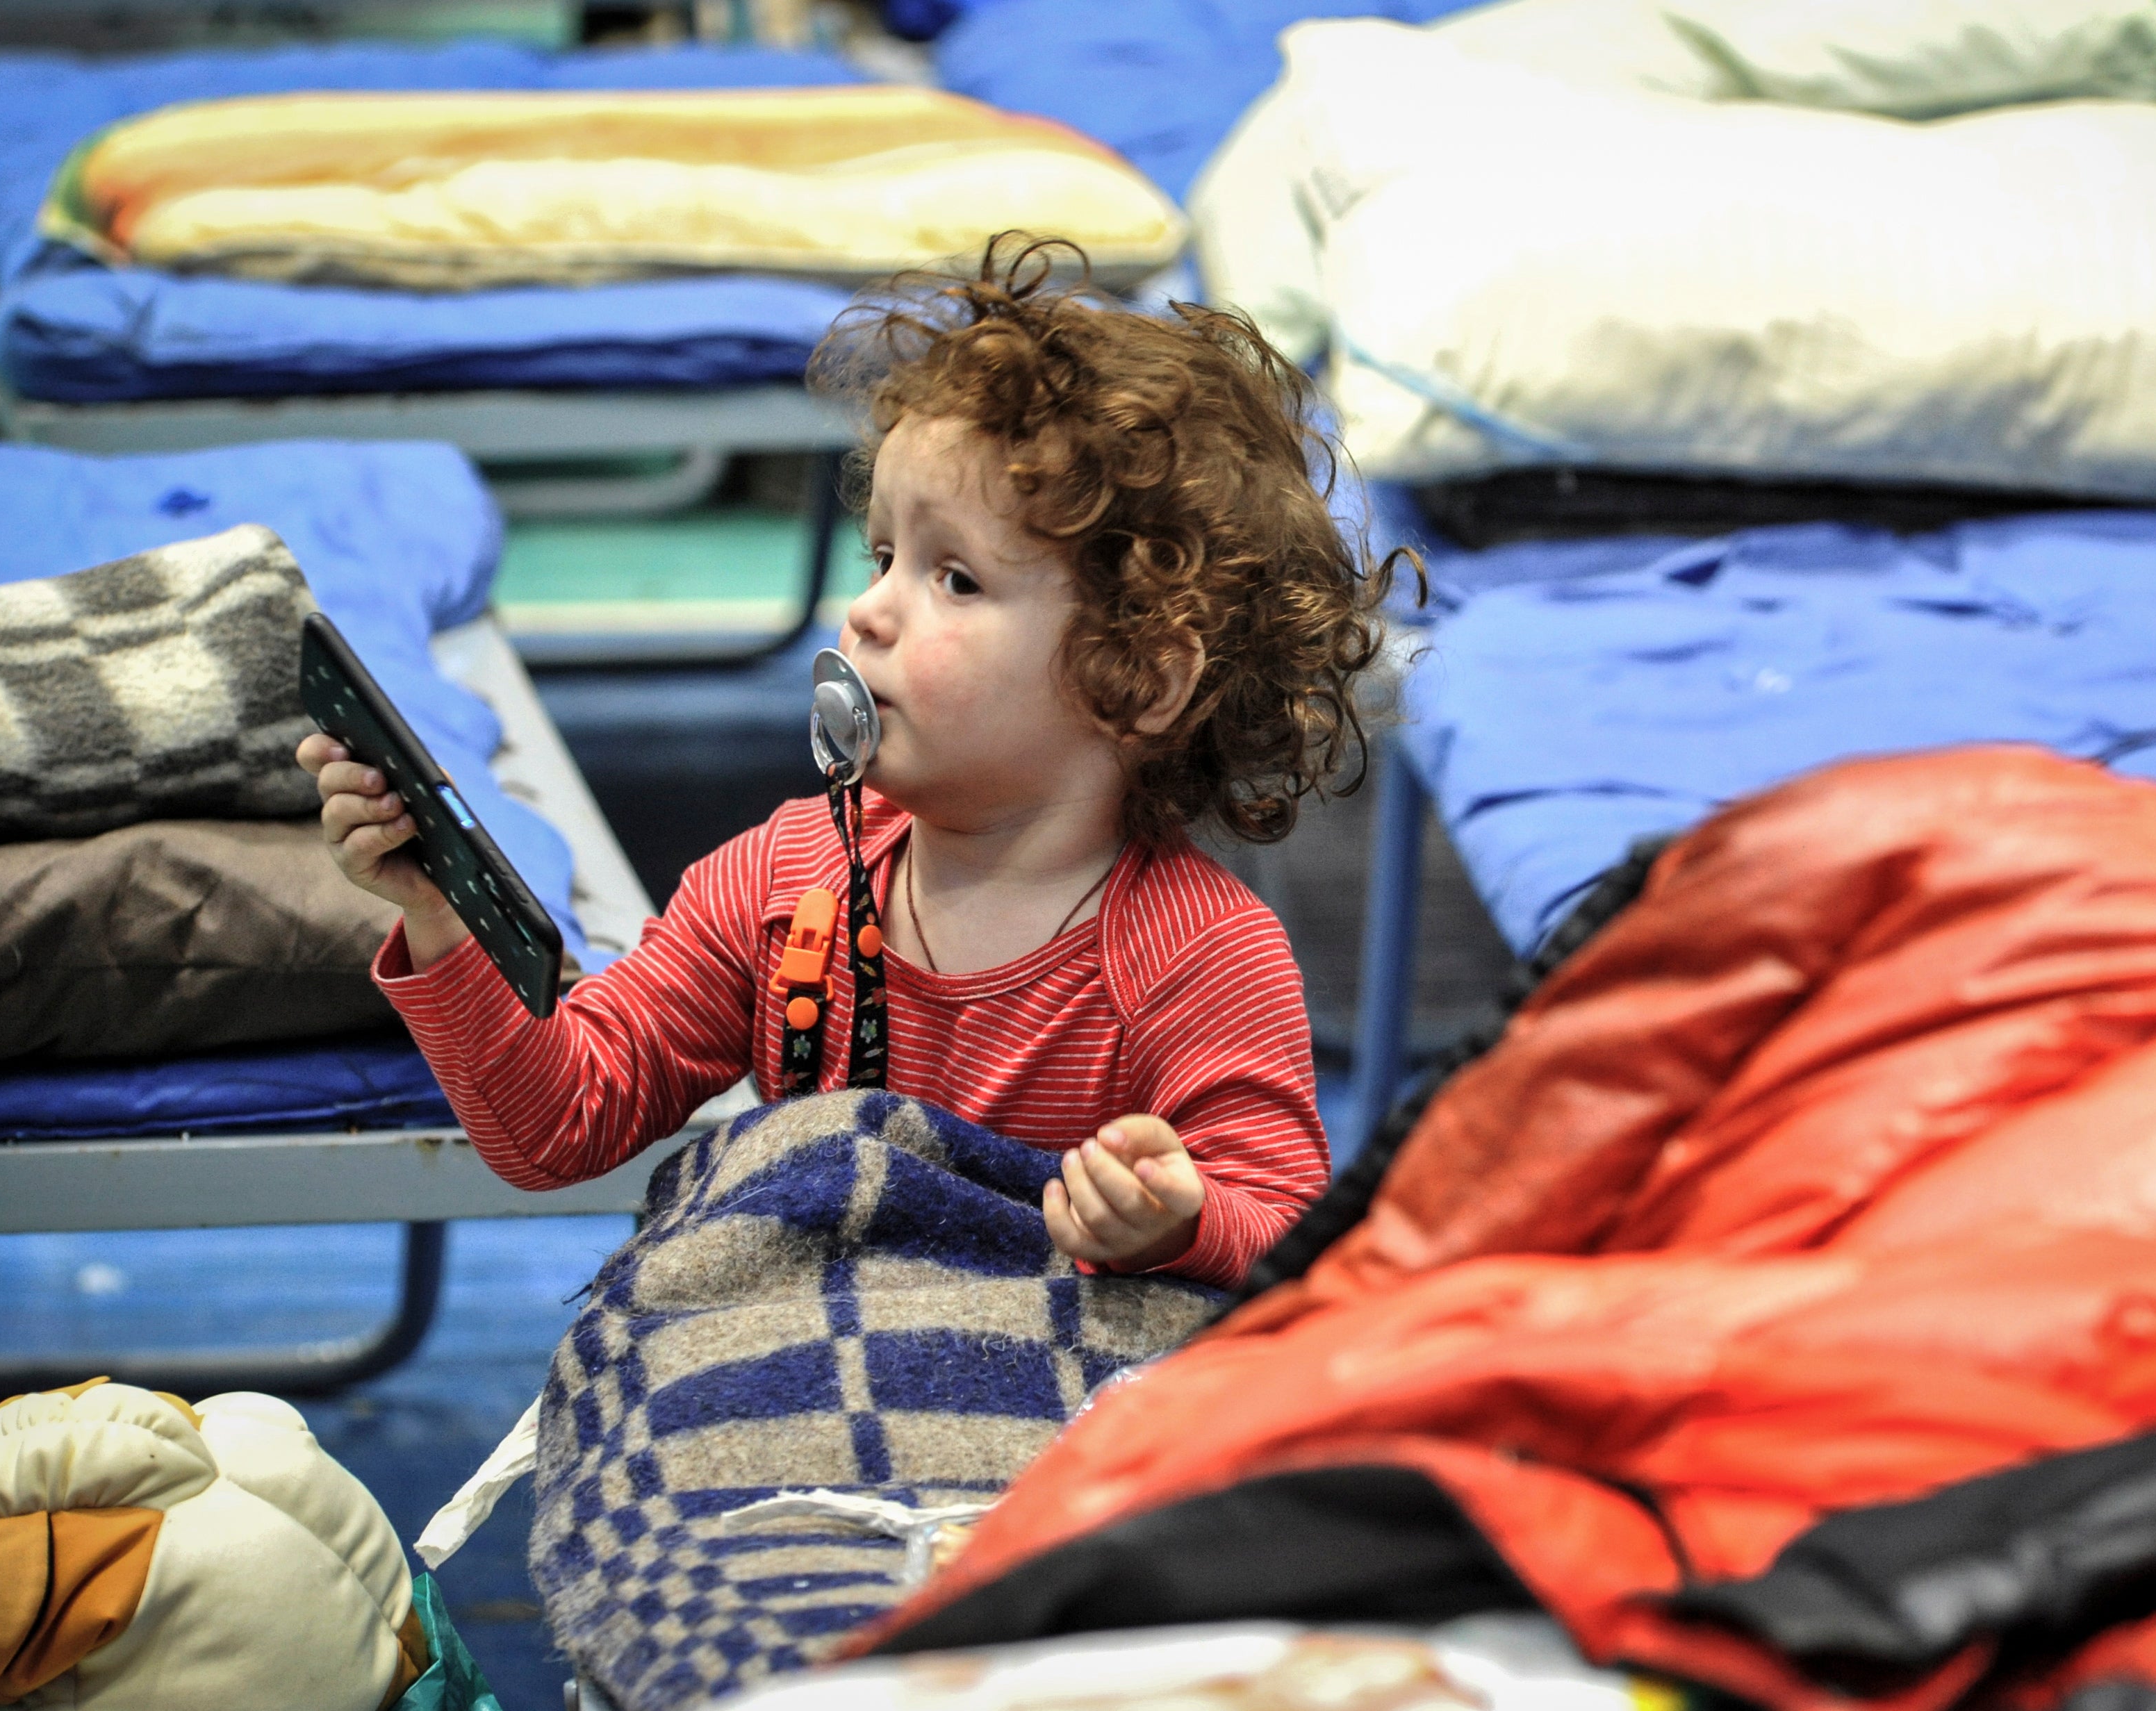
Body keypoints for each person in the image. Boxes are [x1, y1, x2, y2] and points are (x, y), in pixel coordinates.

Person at [297, 239, 1408, 1289]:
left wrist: (1179, 1218)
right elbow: (555, 1126)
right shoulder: (780, 882)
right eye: (884, 555)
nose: (868, 610)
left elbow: (1287, 1235)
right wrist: (440, 917)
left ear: (1140, 681)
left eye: (955, 578)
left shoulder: (1199, 957)